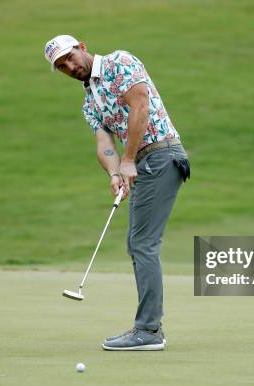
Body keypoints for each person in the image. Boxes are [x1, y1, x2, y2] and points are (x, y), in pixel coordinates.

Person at [44, 35, 190, 351]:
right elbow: (103, 143)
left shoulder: (119, 62)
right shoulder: (90, 101)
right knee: (139, 243)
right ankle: (149, 329)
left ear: (81, 47)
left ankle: (149, 331)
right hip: (143, 160)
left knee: (143, 243)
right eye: (61, 66)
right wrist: (114, 171)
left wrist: (128, 160)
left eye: (69, 57)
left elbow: (141, 106)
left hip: (161, 154)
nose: (69, 66)